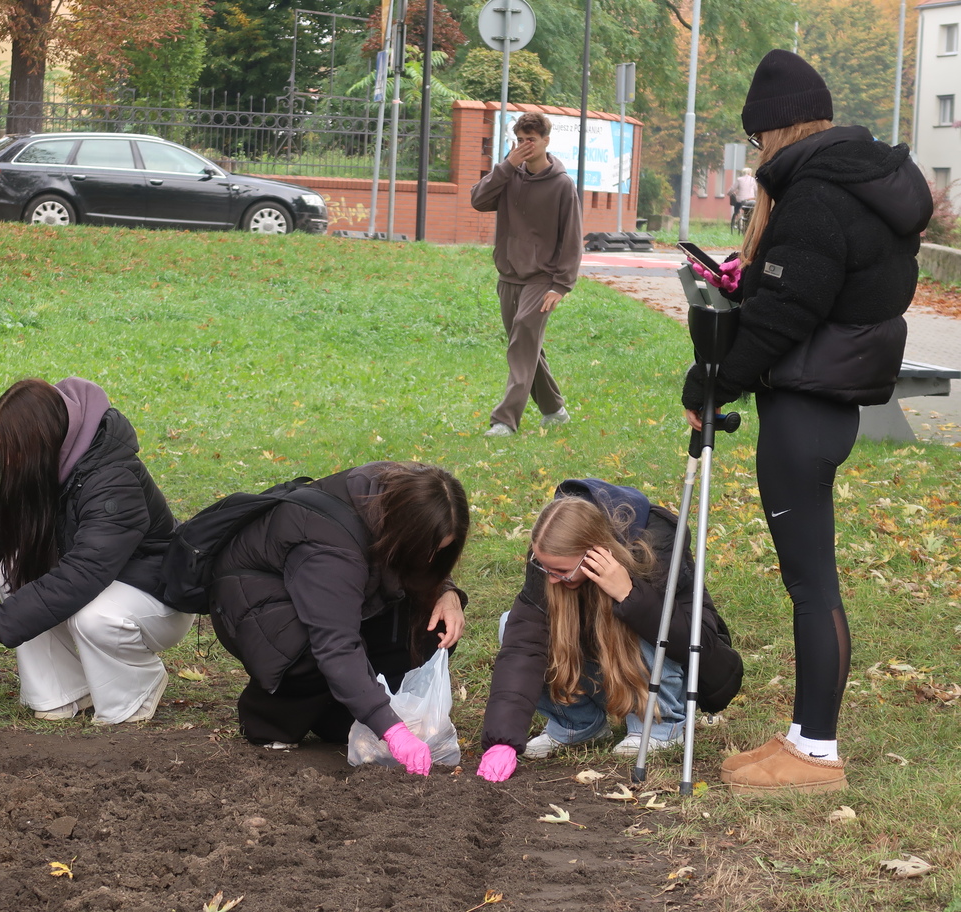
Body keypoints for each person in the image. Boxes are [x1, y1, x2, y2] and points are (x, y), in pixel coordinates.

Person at [683, 50, 932, 794]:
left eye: (758, 141)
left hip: (803, 405)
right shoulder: (855, 184)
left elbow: (788, 312)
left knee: (812, 586)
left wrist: (714, 375)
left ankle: (816, 754)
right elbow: (811, 293)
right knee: (809, 580)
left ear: (779, 131)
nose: (757, 154)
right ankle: (800, 736)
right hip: (823, 399)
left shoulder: (819, 196)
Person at [0, 377, 191, 724]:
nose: (8, 462)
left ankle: (137, 689)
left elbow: (86, 571)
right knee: (13, 569)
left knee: (95, 617)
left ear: (47, 443)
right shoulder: (29, 470)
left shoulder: (112, 476)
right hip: (99, 586)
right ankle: (64, 691)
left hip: (154, 597)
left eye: (16, 451)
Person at [207, 461, 470, 776]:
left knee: (433, 621)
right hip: (261, 607)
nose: (430, 559)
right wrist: (393, 731)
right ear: (403, 529)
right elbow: (335, 643)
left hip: (340, 594)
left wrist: (447, 591)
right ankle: (271, 717)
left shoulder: (401, 491)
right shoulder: (330, 549)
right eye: (425, 549)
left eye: (440, 551)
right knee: (311, 651)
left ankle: (347, 710)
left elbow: (423, 560)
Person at [476, 480, 742, 783]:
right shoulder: (551, 556)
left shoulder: (656, 543)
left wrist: (630, 594)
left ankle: (659, 726)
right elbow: (523, 646)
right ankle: (576, 725)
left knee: (639, 618)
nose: (551, 580)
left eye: (562, 572)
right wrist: (503, 739)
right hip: (605, 666)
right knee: (510, 622)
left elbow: (692, 643)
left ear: (595, 554)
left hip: (673, 666)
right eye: (545, 569)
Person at [470, 111, 584, 438]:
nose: (524, 146)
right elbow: (478, 200)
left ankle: (505, 419)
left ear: (546, 141)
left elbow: (573, 240)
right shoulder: (509, 175)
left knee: (523, 335)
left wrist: (561, 286)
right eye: (519, 140)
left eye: (530, 140)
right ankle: (554, 410)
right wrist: (506, 166)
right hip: (508, 274)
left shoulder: (562, 185)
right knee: (526, 344)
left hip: (542, 279)